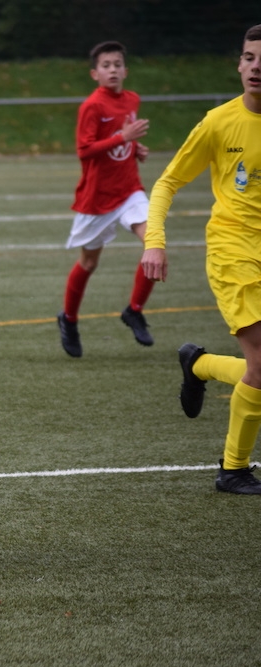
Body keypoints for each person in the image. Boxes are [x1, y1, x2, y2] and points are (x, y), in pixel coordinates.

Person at [140, 24, 261, 495]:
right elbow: (167, 182)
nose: (257, 67)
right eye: (250, 57)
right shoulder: (218, 122)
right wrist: (154, 241)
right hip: (234, 251)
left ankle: (200, 364)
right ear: (239, 63)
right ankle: (233, 469)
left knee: (257, 368)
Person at [57, 40, 154, 358]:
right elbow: (85, 150)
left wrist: (134, 148)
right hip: (97, 198)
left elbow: (121, 139)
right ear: (94, 73)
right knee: (89, 262)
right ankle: (69, 319)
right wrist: (123, 138)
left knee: (154, 242)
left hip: (129, 191)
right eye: (106, 65)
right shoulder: (92, 106)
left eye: (117, 65)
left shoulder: (132, 99)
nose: (112, 70)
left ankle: (134, 310)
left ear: (126, 71)